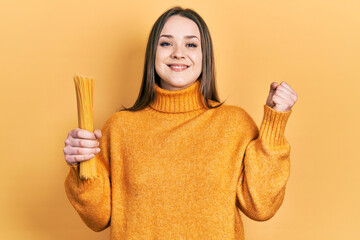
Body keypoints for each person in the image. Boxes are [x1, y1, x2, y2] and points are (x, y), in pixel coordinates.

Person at [63, 6, 297, 240]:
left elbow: (262, 207)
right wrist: (81, 165)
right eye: (166, 43)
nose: (178, 53)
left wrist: (273, 125)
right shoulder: (119, 128)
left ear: (205, 56)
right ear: (152, 54)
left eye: (191, 44)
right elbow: (97, 218)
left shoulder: (234, 124)